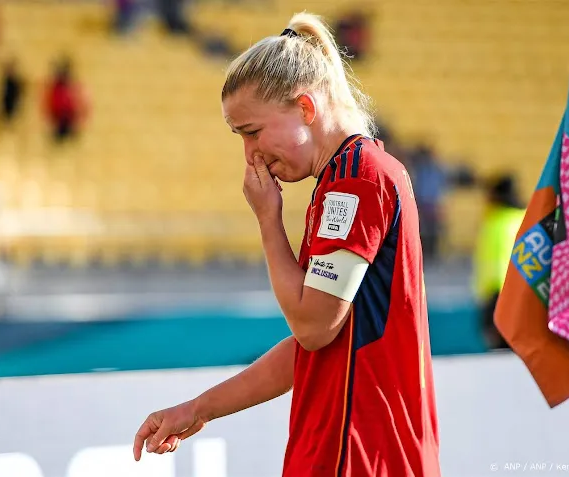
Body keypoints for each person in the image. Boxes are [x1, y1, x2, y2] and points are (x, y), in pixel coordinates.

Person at [133, 12, 441, 476]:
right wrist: (197, 409)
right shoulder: (344, 178)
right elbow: (312, 346)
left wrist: (267, 220)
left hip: (360, 454)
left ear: (305, 107)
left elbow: (314, 326)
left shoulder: (358, 180)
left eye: (252, 132)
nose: (249, 154)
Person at [474, 174, 525, 350]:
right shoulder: (525, 218)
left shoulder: (493, 223)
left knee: (499, 354)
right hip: (523, 295)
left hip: (497, 296)